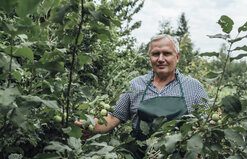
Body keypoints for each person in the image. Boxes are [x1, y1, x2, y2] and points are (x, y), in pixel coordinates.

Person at [75, 34, 209, 139]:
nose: (161, 59)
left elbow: (205, 125)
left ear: (177, 57)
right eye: (156, 54)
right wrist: (90, 125)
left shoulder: (194, 87)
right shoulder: (135, 85)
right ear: (150, 57)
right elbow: (112, 118)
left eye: (167, 53)